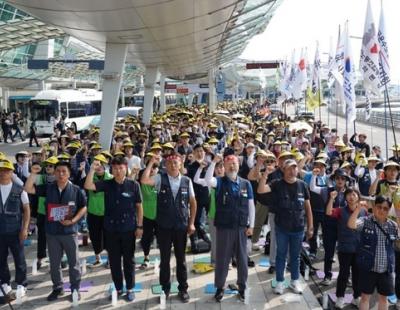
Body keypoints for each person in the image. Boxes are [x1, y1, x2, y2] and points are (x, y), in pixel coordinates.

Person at [25, 161, 87, 302]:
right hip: (52, 233)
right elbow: (28, 189)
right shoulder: (48, 188)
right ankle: (57, 288)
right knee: (54, 263)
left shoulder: (77, 190)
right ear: (54, 173)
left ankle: (75, 288)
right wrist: (33, 173)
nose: (60, 174)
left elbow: (83, 207)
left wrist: (73, 220)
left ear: (69, 173)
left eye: (64, 171)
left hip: (70, 232)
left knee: (74, 263)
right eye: (58, 171)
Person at [85, 155, 143, 302]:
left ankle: (130, 288)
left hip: (129, 229)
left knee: (129, 261)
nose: (118, 171)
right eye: (115, 168)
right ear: (111, 169)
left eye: (121, 168)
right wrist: (92, 169)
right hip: (110, 229)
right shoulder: (107, 184)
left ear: (126, 169)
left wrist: (140, 226)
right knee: (114, 261)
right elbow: (88, 186)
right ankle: (118, 288)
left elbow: (139, 206)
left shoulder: (133, 185)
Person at [141, 152, 196, 303]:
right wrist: (151, 162)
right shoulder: (160, 178)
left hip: (180, 226)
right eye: (170, 163)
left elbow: (193, 202)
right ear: (165, 165)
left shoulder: (187, 180)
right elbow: (144, 180)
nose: (173, 165)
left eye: (176, 163)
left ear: (180, 165)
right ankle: (165, 289)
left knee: (181, 259)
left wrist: (191, 223)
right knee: (164, 259)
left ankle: (183, 289)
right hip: (164, 226)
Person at [258, 159, 313, 295]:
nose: (293, 170)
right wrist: (265, 174)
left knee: (295, 256)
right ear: (284, 170)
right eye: (289, 168)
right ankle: (280, 282)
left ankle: (295, 281)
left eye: (295, 168)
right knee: (281, 255)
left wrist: (310, 226)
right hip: (282, 227)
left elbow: (307, 207)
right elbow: (261, 190)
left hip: (298, 228)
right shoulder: (277, 184)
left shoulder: (302, 185)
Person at [212, 154, 255, 303]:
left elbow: (251, 205)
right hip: (224, 227)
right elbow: (205, 181)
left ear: (238, 165)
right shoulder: (219, 182)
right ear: (224, 165)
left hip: (242, 227)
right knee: (222, 258)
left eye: (234, 163)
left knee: (242, 259)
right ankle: (220, 287)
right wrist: (213, 162)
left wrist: (252, 225)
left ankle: (242, 286)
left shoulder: (246, 184)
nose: (232, 166)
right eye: (229, 163)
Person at [348, 196, 398, 310]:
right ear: (374, 207)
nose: (381, 210)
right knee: (365, 298)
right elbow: (351, 225)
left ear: (389, 210)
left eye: (385, 208)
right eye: (379, 207)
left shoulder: (392, 225)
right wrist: (358, 209)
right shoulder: (366, 221)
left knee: (384, 299)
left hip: (386, 270)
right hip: (368, 268)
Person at [326, 188, 366, 309]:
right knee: (343, 274)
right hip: (344, 248)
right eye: (349, 194)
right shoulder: (341, 210)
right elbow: (328, 212)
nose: (351, 197)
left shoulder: (364, 211)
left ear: (358, 197)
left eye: (354, 194)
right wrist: (331, 199)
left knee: (357, 274)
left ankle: (356, 297)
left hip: (359, 248)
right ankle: (340, 297)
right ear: (345, 197)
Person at [0, 159, 30, 300]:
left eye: (6, 170)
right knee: (1, 259)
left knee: (19, 259)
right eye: (1, 170)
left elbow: (26, 209)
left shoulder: (19, 189)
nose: (3, 173)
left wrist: (25, 228)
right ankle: (5, 283)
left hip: (15, 231)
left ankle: (21, 284)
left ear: (12, 172)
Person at [83, 154, 113, 267]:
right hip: (93, 212)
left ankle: (111, 258)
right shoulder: (90, 177)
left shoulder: (110, 178)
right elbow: (86, 186)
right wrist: (91, 170)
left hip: (107, 213)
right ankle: (97, 258)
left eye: (101, 163)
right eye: (96, 164)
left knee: (109, 237)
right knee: (94, 236)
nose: (99, 166)